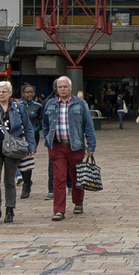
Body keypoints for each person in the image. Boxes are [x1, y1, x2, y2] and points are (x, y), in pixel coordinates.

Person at [0, 80, 36, 224]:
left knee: (9, 181)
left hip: (12, 149)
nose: (1, 94)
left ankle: (10, 208)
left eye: (4, 91)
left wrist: (31, 146)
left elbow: (28, 127)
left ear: (10, 93)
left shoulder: (18, 108)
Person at [41, 76, 96, 221]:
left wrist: (91, 145)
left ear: (70, 88)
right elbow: (45, 125)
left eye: (65, 87)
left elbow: (88, 125)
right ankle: (59, 210)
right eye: (60, 87)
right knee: (59, 178)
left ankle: (78, 202)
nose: (63, 89)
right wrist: (48, 140)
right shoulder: (50, 104)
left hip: (75, 146)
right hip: (57, 146)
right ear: (56, 89)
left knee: (76, 176)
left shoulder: (80, 104)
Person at [16, 85, 42, 199]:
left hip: (31, 137)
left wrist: (33, 130)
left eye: (31, 92)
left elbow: (41, 122)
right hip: (18, 136)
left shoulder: (37, 106)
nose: (29, 95)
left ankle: (26, 184)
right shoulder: (17, 106)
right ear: (22, 93)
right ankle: (22, 177)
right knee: (17, 160)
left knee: (27, 160)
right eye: (27, 92)